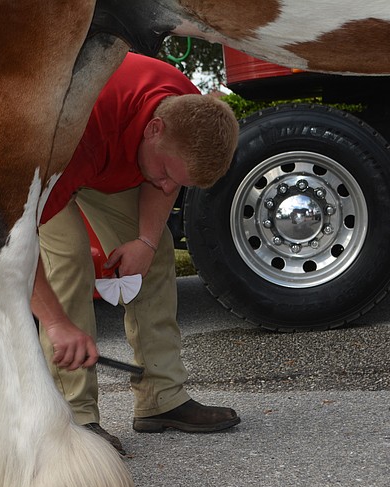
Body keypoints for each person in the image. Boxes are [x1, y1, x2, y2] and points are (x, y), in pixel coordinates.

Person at [31, 52, 240, 455]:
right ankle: (75, 418)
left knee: (157, 251)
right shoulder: (81, 122)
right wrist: (57, 324)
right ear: (154, 129)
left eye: (174, 181)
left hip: (110, 158)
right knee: (69, 259)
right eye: (164, 172)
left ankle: (162, 398)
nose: (166, 185)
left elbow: (167, 180)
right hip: (51, 158)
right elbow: (11, 244)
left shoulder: (187, 110)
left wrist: (144, 241)